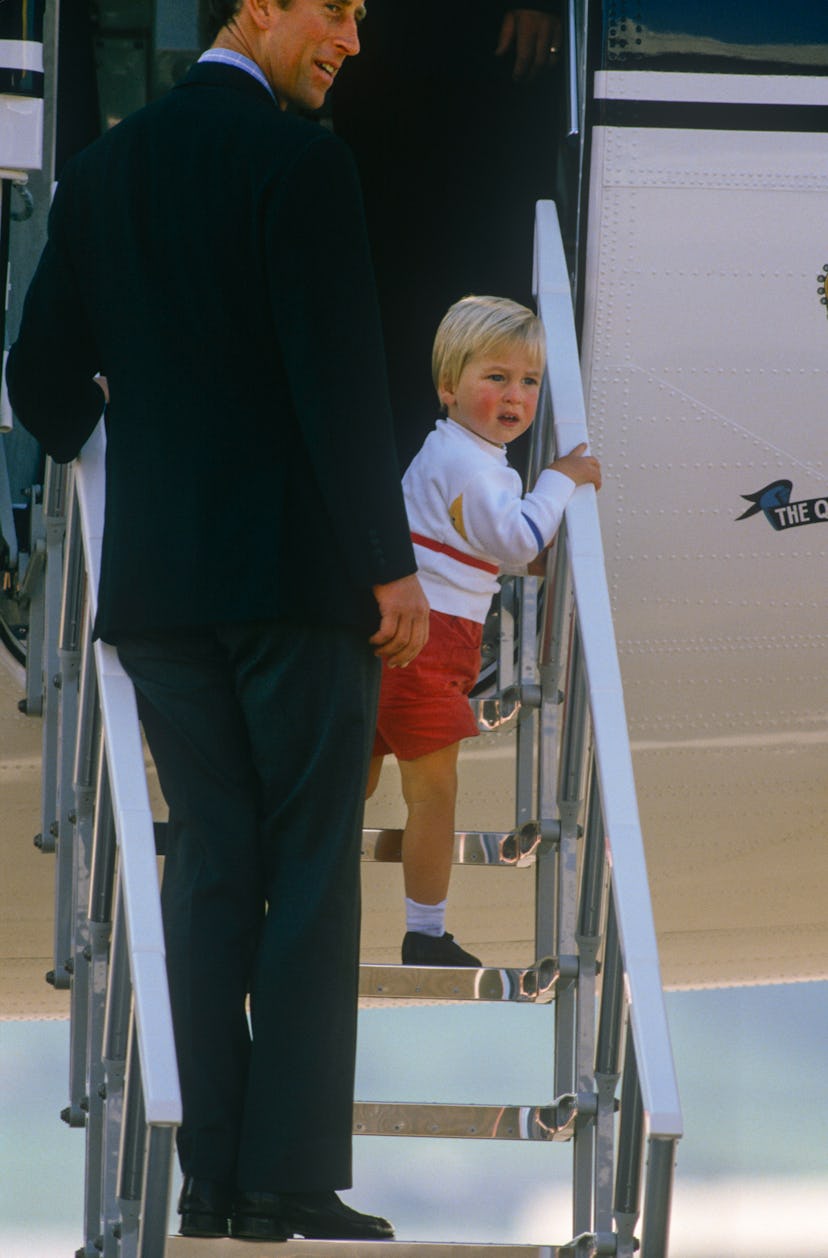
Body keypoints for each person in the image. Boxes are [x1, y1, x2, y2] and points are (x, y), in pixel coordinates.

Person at [6, 0, 429, 1244]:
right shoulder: (301, 158)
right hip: (296, 585)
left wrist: (130, 450)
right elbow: (338, 375)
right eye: (335, 10)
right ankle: (289, 1181)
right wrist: (387, 566)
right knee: (308, 870)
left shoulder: (99, 170)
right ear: (257, 7)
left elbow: (37, 379)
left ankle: (209, 1178)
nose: (353, 35)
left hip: (161, 590)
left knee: (208, 873)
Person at [366, 295, 601, 967]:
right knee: (434, 797)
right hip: (428, 642)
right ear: (448, 386)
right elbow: (513, 534)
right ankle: (425, 934)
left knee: (351, 787)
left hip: (420, 640)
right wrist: (560, 479)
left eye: (529, 381)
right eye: (494, 377)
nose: (515, 395)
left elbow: (486, 540)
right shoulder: (469, 463)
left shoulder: (462, 456)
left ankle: (293, 895)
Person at [333, 2, 563, 473]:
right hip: (386, 67)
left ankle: (485, 500)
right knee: (391, 295)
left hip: (487, 59)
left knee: (490, 288)